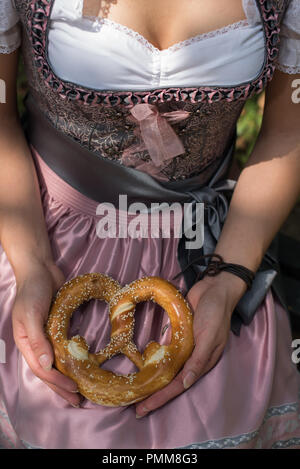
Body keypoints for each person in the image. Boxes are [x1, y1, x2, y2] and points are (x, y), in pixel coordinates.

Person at [0, 0, 300, 449]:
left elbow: (289, 128)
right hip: (40, 239)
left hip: (211, 253)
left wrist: (230, 276)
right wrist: (33, 265)